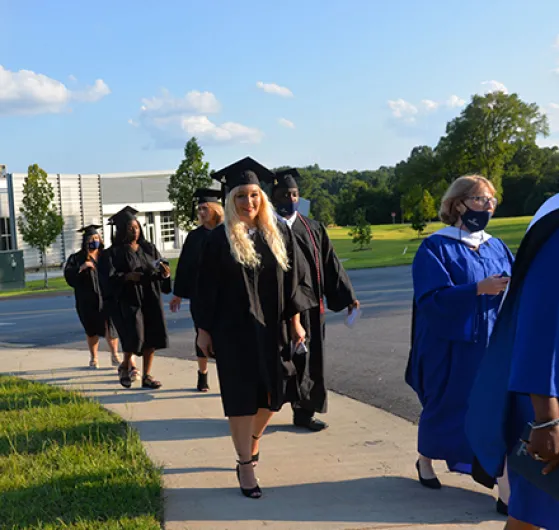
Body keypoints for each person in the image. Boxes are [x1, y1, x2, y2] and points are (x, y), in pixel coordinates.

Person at [193, 157, 317, 499]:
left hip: (273, 328)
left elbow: (294, 280)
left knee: (273, 397)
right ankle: (245, 464)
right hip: (233, 331)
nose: (249, 203)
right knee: (240, 398)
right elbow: (205, 288)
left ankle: (253, 441)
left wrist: (295, 321)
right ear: (230, 201)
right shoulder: (218, 241)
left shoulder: (277, 235)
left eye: (254, 196)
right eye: (241, 197)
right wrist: (203, 330)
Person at [405, 175, 513, 507]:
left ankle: (503, 485)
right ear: (458, 203)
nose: (488, 207)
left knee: (495, 412)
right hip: (451, 345)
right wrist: (477, 289)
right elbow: (430, 299)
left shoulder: (496, 245)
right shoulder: (436, 246)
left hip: (492, 343)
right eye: (481, 199)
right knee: (447, 408)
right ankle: (425, 457)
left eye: (492, 201)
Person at [467, 194, 559, 529]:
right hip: (550, 395)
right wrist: (547, 419)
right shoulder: (557, 224)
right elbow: (540, 321)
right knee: (533, 510)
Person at [271, 168, 359, 431]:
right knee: (280, 360)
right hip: (278, 309)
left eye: (295, 193)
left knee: (310, 361)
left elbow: (331, 264)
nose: (291, 198)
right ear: (273, 196)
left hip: (310, 307)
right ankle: (265, 409)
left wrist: (348, 297)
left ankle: (304, 413)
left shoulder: (313, 228)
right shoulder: (266, 229)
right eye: (285, 194)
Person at [103, 206, 172, 389]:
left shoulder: (148, 248)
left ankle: (146, 376)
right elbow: (107, 279)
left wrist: (164, 274)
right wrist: (126, 277)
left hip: (150, 296)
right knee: (134, 335)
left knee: (152, 336)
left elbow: (158, 268)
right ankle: (125, 365)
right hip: (128, 299)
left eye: (137, 227)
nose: (135, 231)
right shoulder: (112, 253)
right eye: (130, 228)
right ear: (120, 231)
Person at [170, 188, 224, 392]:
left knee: (224, 339)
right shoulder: (194, 237)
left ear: (215, 209)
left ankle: (227, 377)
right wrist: (178, 294)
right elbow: (184, 266)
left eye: (205, 208)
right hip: (200, 296)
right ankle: (202, 375)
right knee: (202, 337)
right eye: (199, 209)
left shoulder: (228, 231)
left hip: (225, 296)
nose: (201, 213)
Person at [64, 224, 121, 369]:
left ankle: (115, 355)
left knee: (111, 328)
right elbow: (69, 276)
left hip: (107, 298)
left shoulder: (105, 256)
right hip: (87, 301)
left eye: (96, 237)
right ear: (85, 241)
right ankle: (94, 357)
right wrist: (81, 268)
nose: (94, 241)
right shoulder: (77, 258)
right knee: (92, 330)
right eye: (91, 238)